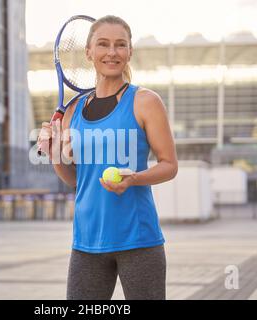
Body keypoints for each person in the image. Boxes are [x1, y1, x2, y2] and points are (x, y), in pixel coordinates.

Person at [37, 15, 178, 300]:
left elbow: (169, 166)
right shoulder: (73, 111)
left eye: (120, 45)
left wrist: (134, 178)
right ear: (89, 51)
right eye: (103, 44)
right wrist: (54, 153)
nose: (112, 52)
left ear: (129, 52)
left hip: (137, 239)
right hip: (86, 241)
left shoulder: (146, 102)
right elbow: (77, 179)